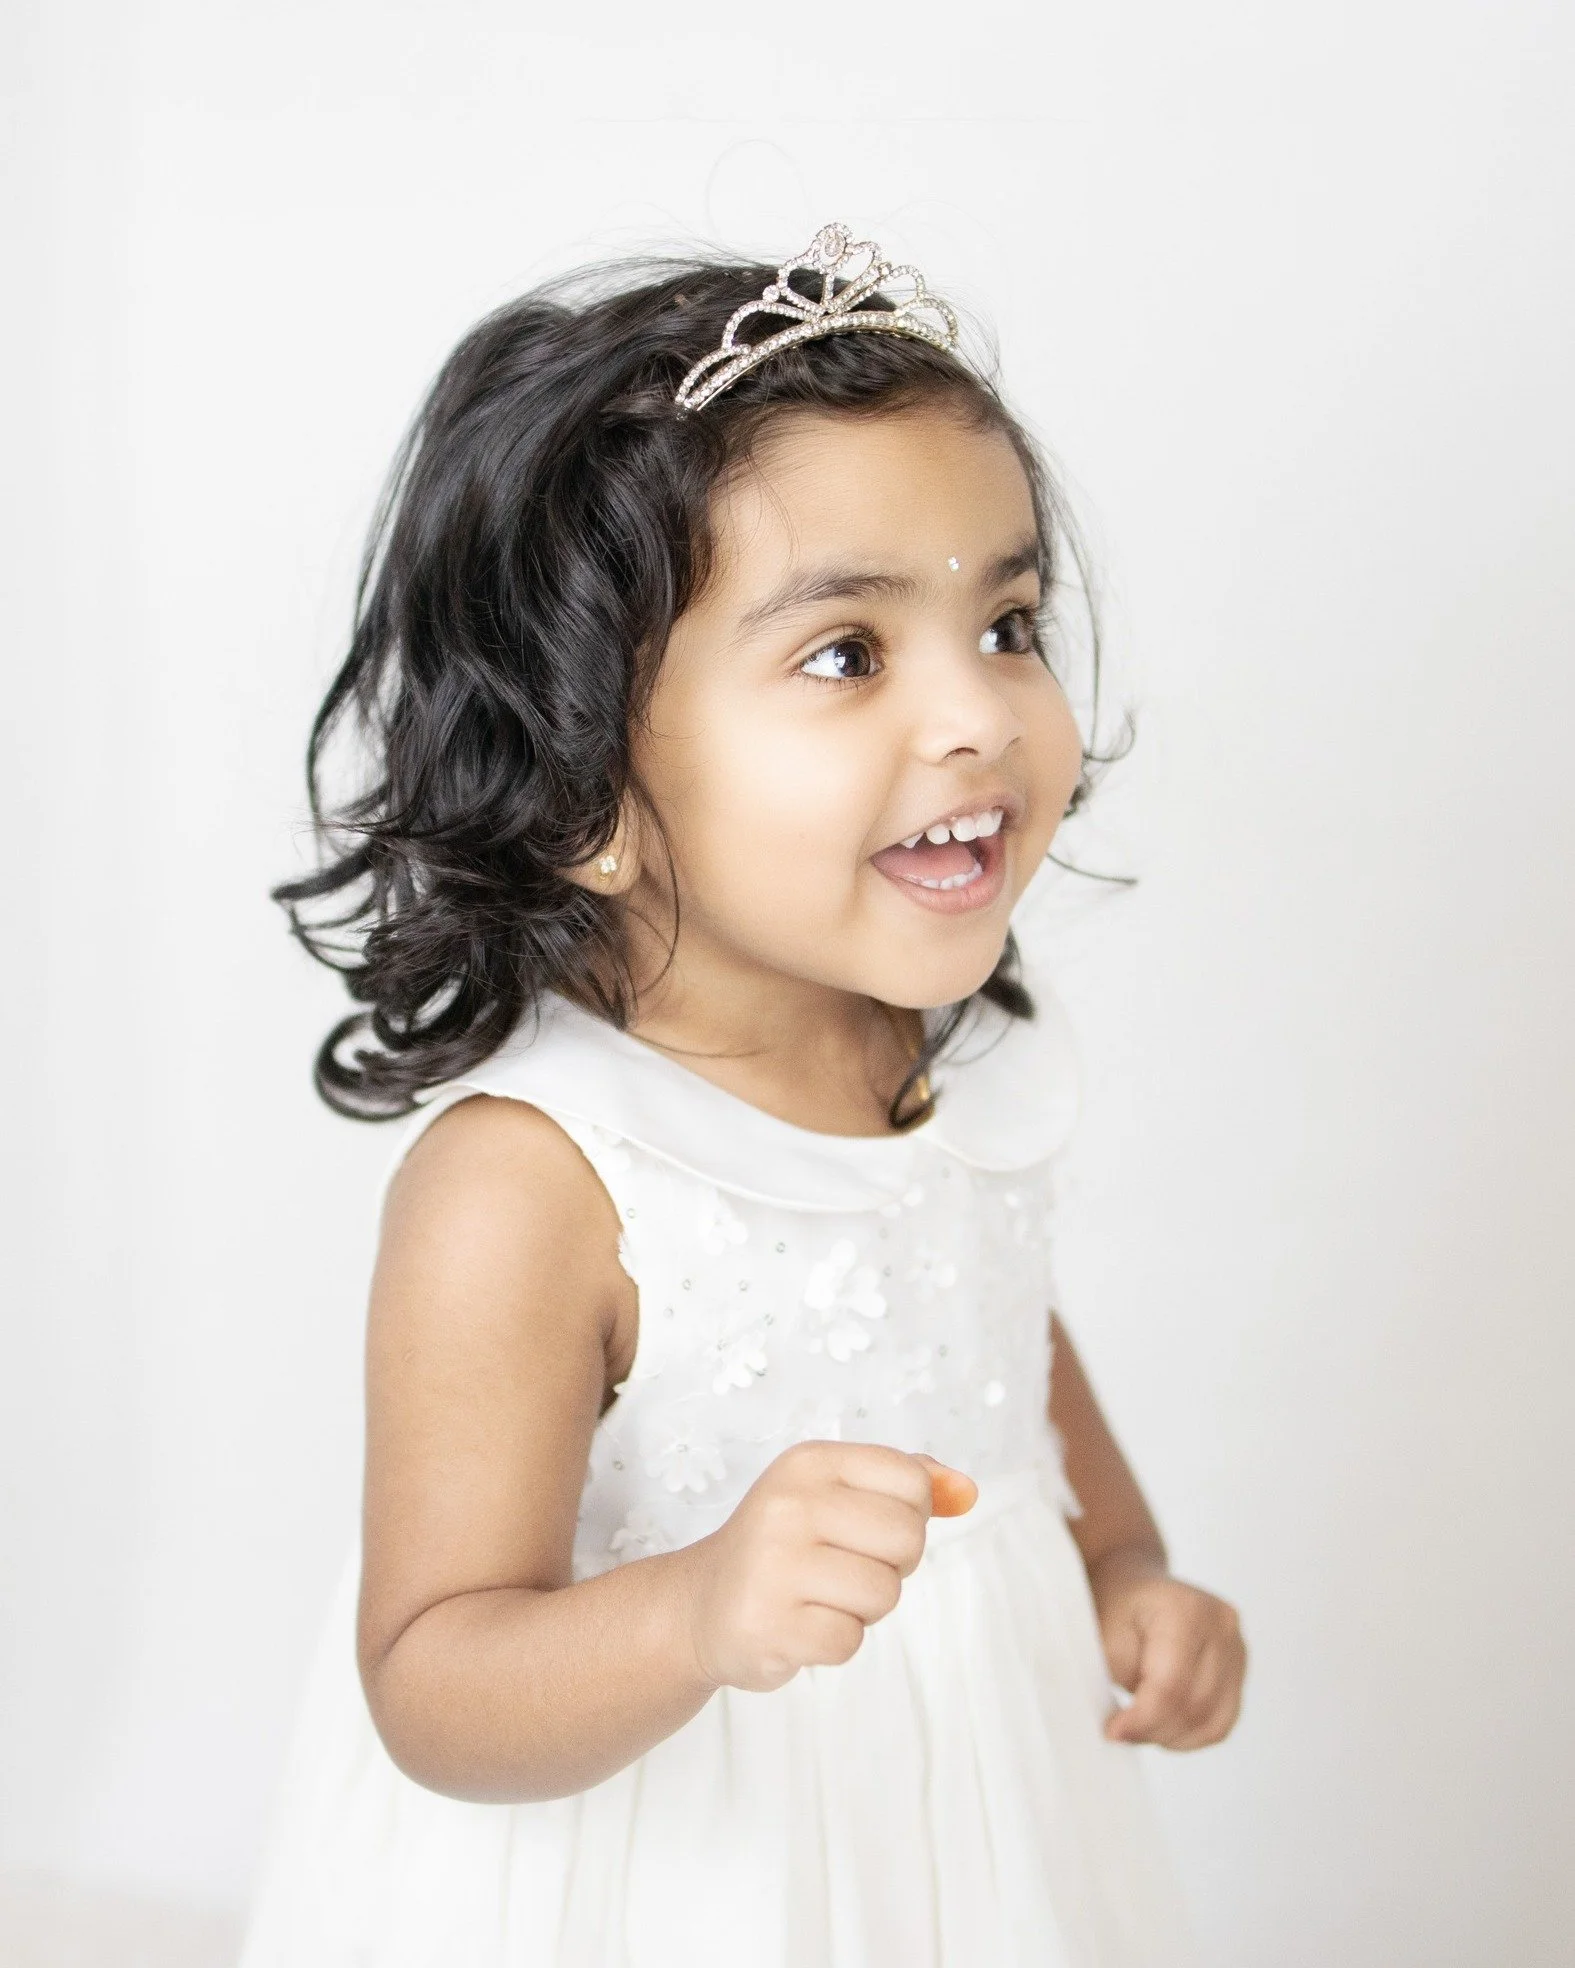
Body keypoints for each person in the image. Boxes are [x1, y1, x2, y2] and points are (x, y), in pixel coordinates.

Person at [237, 221, 1247, 1967]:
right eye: (848, 654)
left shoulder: (934, 1066)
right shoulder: (535, 1186)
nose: (981, 717)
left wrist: (1126, 1569)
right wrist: (696, 1612)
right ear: (582, 793)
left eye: (1006, 622)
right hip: (670, 1875)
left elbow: (1002, 1358)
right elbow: (432, 1679)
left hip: (965, 1836)